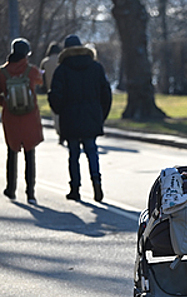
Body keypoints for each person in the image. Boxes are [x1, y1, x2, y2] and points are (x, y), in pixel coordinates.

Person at [48, 34, 112, 202]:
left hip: (70, 117)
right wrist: (101, 115)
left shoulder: (61, 69)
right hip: (91, 115)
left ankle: (75, 188)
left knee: (74, 154)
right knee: (92, 151)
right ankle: (97, 185)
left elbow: (55, 96)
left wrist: (59, 112)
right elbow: (106, 94)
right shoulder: (96, 67)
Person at [0, 38, 44, 205]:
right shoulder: (31, 71)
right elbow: (40, 81)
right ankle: (30, 193)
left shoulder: (2, 72)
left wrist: (5, 102)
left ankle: (11, 189)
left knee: (12, 152)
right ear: (27, 53)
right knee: (29, 153)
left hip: (11, 117)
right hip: (29, 117)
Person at [40, 42, 62, 143]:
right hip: (63, 89)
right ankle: (64, 132)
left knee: (55, 113)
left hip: (51, 89)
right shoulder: (62, 60)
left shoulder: (45, 62)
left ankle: (59, 131)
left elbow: (42, 78)